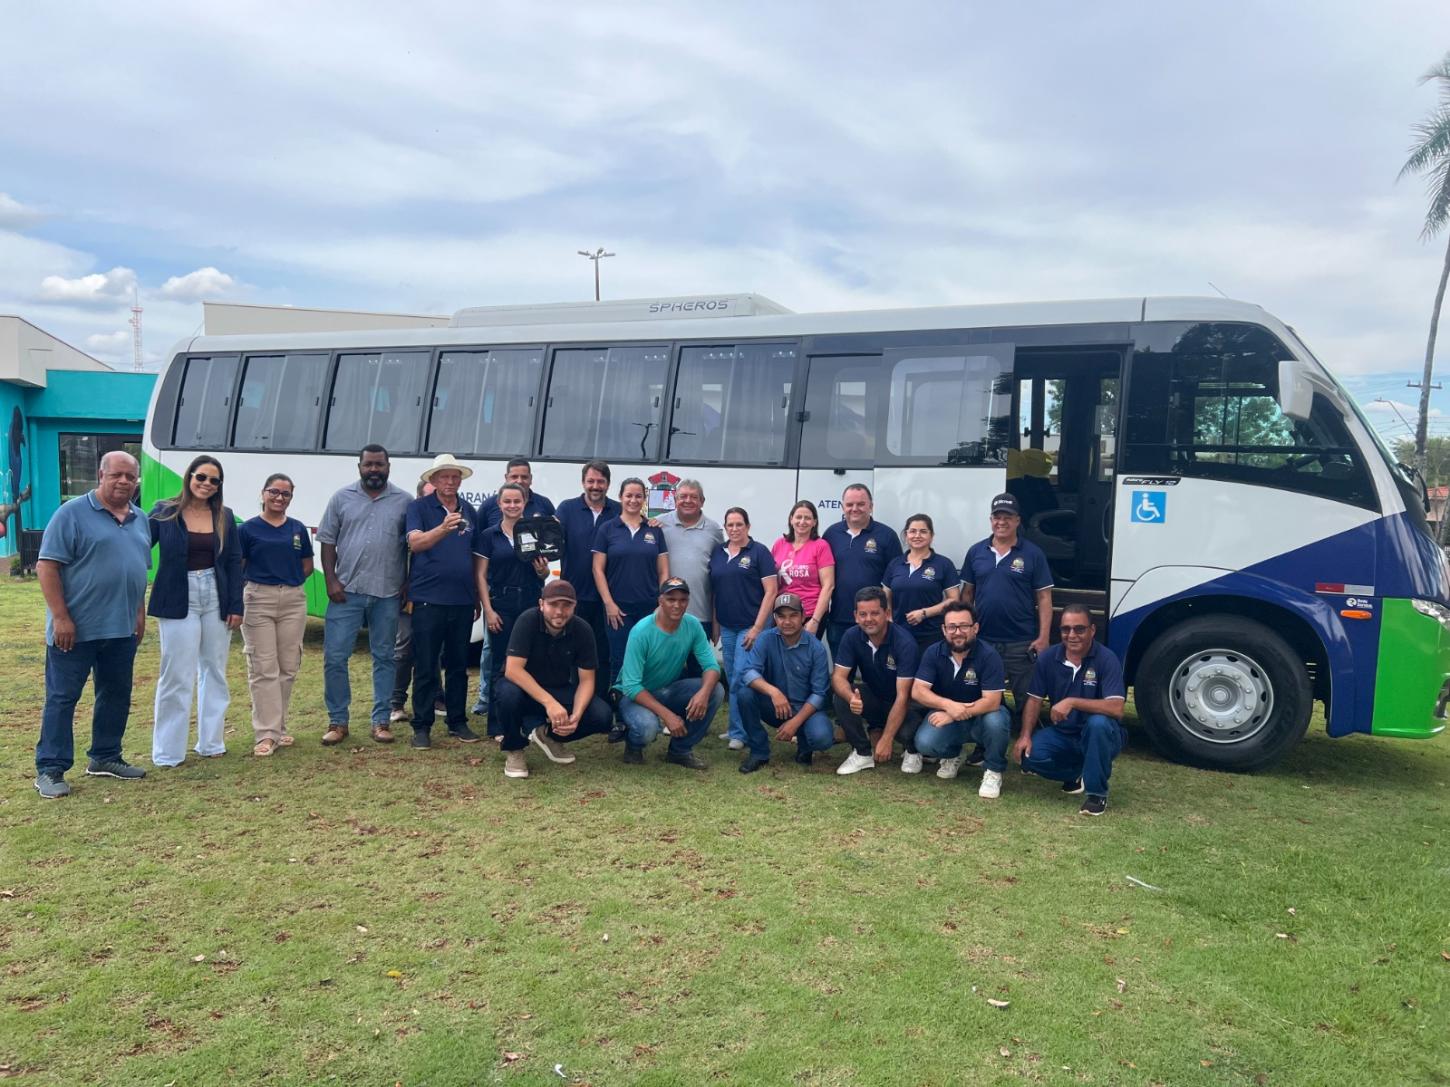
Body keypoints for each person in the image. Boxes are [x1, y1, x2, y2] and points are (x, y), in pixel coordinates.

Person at [33, 451, 151, 798]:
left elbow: (138, 571)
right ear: (100, 475)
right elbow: (47, 566)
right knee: (62, 698)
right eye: (117, 475)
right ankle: (50, 769)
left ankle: (105, 756)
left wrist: (139, 615)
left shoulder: (139, 519)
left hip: (121, 629)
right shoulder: (71, 514)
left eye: (131, 477)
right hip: (76, 630)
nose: (124, 482)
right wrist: (61, 617)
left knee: (116, 695)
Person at [148, 454, 244, 766]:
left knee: (214, 671)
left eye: (214, 480)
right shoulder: (165, 511)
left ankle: (211, 743)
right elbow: (138, 546)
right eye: (201, 477)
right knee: (176, 674)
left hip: (215, 595)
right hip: (178, 595)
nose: (206, 484)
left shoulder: (224, 516)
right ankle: (168, 752)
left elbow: (232, 561)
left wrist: (235, 604)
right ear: (189, 477)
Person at [318, 444, 412, 745]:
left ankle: (381, 721)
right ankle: (338, 721)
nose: (374, 469)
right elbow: (327, 541)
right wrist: (331, 580)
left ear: (388, 466)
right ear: (359, 466)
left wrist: (407, 583)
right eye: (369, 464)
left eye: (379, 465)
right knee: (335, 657)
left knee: (384, 657)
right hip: (347, 592)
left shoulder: (404, 501)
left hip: (387, 593)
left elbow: (411, 547)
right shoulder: (341, 498)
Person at [493, 579, 615, 779]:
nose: (560, 611)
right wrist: (550, 703)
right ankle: (514, 749)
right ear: (541, 604)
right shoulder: (528, 620)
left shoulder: (582, 630)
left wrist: (576, 714)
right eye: (553, 605)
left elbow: (586, 680)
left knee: (601, 715)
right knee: (507, 694)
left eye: (566, 605)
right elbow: (513, 671)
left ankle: (547, 735)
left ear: (575, 606)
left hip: (557, 687)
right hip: (522, 687)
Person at [1013, 604, 1128, 816]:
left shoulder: (1106, 658)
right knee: (1029, 757)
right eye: (1066, 629)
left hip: (1101, 734)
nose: (1072, 635)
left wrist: (1073, 701)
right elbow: (1034, 699)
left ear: (1092, 630)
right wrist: (1025, 735)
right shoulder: (1049, 658)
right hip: (1064, 733)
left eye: (1079, 629)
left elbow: (1117, 708)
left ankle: (1096, 794)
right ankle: (1078, 773)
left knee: (1098, 723)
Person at [405, 454, 483, 749]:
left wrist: (476, 594)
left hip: (462, 600)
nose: (450, 482)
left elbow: (475, 558)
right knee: (426, 664)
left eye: (454, 477)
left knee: (459, 664)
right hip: (428, 598)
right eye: (444, 477)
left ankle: (457, 721)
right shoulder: (419, 508)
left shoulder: (470, 511)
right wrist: (443, 528)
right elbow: (415, 543)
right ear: (433, 481)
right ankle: (422, 725)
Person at [960, 493, 1053, 725]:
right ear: (991, 519)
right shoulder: (976, 552)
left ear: (1018, 520)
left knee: (1027, 699)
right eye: (997, 517)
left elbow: (1044, 598)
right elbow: (967, 595)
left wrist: (1043, 638)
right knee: (986, 699)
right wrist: (965, 631)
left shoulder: (1033, 554)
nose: (1001, 522)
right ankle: (985, 747)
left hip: (1021, 641)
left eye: (1007, 517)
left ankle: (1029, 747)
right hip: (984, 640)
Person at [238, 473, 314, 756]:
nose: (279, 498)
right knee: (263, 667)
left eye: (286, 494)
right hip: (259, 599)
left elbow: (307, 564)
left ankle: (278, 728)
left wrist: (288, 579)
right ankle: (265, 734)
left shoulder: (296, 529)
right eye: (274, 492)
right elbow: (240, 566)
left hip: (293, 600)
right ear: (263, 493)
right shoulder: (247, 530)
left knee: (288, 666)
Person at [474, 457, 557, 715]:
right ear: (499, 504)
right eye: (507, 501)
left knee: (532, 657)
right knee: (498, 661)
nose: (512, 505)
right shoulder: (490, 534)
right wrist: (488, 609)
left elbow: (542, 569)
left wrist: (543, 572)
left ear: (525, 503)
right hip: (502, 602)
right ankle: (496, 715)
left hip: (532, 601)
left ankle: (527, 712)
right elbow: (479, 574)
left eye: (517, 501)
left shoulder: (536, 529)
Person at [615, 577, 723, 769]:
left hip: (668, 689)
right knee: (648, 728)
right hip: (634, 696)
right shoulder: (641, 631)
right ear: (660, 601)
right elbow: (631, 686)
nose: (677, 605)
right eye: (671, 599)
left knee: (716, 691)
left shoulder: (692, 625)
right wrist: (668, 716)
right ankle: (633, 745)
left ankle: (680, 751)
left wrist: (703, 695)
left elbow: (712, 666)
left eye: (682, 600)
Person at [910, 601, 1012, 798]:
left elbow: (991, 701)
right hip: (949, 714)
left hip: (982, 718)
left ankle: (993, 770)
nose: (958, 632)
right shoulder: (934, 652)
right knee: (925, 742)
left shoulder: (989, 656)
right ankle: (953, 755)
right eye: (952, 627)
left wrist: (954, 714)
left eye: (964, 626)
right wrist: (948, 706)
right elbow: (918, 691)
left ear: (975, 627)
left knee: (996, 719)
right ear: (944, 629)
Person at [735, 593, 832, 773]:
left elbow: (819, 694)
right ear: (775, 618)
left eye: (793, 615)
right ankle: (759, 752)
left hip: (805, 709)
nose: (787, 622)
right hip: (775, 706)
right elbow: (748, 673)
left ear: (803, 617)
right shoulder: (765, 638)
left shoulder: (816, 648)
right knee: (745, 694)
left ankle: (805, 746)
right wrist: (774, 692)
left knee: (822, 738)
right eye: (781, 616)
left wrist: (795, 722)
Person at [830, 586, 922, 776]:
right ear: (855, 615)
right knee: (841, 697)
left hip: (906, 705)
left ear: (887, 613)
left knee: (905, 733)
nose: (868, 619)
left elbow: (904, 696)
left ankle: (913, 750)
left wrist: (887, 738)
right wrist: (851, 698)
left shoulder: (904, 643)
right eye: (863, 614)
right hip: (877, 698)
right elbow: (838, 677)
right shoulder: (852, 636)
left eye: (874, 613)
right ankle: (862, 753)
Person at [708, 507, 778, 752]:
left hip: (751, 626)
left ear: (748, 526)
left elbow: (771, 591)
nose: (735, 529)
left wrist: (758, 628)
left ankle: (742, 732)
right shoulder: (719, 552)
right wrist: (716, 624)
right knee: (732, 676)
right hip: (727, 626)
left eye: (739, 524)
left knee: (741, 676)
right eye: (730, 525)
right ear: (725, 528)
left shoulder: (759, 552)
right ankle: (736, 727)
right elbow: (716, 592)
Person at [592, 477, 670, 691]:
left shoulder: (654, 530)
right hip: (618, 610)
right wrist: (608, 603)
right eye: (629, 495)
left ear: (644, 499)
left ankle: (650, 710)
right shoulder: (608, 529)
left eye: (638, 496)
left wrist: (661, 604)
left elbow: (663, 570)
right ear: (620, 498)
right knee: (620, 661)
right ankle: (621, 716)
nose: (633, 500)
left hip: (649, 609)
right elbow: (597, 569)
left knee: (650, 661)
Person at [555, 460, 620, 691]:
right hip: (574, 595)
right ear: (583, 482)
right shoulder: (566, 509)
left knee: (603, 653)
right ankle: (573, 699)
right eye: (591, 481)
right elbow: (551, 542)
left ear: (608, 484)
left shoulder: (619, 511)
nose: (595, 486)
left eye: (600, 481)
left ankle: (601, 700)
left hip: (608, 597)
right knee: (572, 651)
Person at [822, 484, 902, 657]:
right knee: (841, 676)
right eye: (850, 505)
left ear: (871, 506)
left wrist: (890, 615)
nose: (854, 509)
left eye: (861, 504)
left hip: (875, 621)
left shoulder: (887, 536)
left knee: (878, 676)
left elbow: (897, 581)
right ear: (843, 507)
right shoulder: (831, 534)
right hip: (839, 619)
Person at [388, 480, 435, 726]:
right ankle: (395, 703)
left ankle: (435, 697)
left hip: (433, 598)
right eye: (427, 496)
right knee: (404, 647)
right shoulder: (410, 522)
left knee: (433, 649)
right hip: (408, 598)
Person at [882, 514, 961, 651]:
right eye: (912, 531)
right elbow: (885, 596)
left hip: (931, 635)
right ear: (906, 535)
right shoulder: (895, 564)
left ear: (931, 536)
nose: (917, 535)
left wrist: (924, 613)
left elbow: (954, 600)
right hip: (899, 634)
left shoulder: (943, 564)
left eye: (923, 531)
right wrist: (889, 620)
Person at [655, 479, 724, 625]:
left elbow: (720, 574)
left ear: (702, 501)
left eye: (694, 497)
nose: (688, 501)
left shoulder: (714, 530)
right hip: (664, 615)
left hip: (700, 616)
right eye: (683, 496)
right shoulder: (657, 525)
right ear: (675, 500)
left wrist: (716, 620)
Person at [771, 500, 835, 643]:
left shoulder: (821, 546)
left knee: (804, 660)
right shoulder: (779, 544)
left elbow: (828, 585)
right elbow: (771, 581)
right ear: (791, 519)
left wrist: (815, 620)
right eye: (798, 517)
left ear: (814, 522)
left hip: (809, 614)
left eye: (807, 518)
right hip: (782, 613)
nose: (802, 521)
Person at [478, 456, 556, 527]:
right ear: (506, 478)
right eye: (514, 477)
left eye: (524, 477)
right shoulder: (488, 505)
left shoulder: (544, 504)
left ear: (531, 479)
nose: (519, 481)